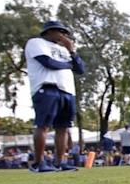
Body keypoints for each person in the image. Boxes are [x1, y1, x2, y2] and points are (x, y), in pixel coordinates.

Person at [25, 20, 85, 172]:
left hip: (67, 91)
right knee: (43, 125)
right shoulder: (36, 43)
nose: (62, 35)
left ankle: (60, 162)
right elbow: (48, 62)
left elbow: (80, 69)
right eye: (58, 31)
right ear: (48, 32)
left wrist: (72, 50)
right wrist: (68, 65)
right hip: (47, 87)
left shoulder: (65, 50)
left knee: (63, 127)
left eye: (64, 33)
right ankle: (39, 162)